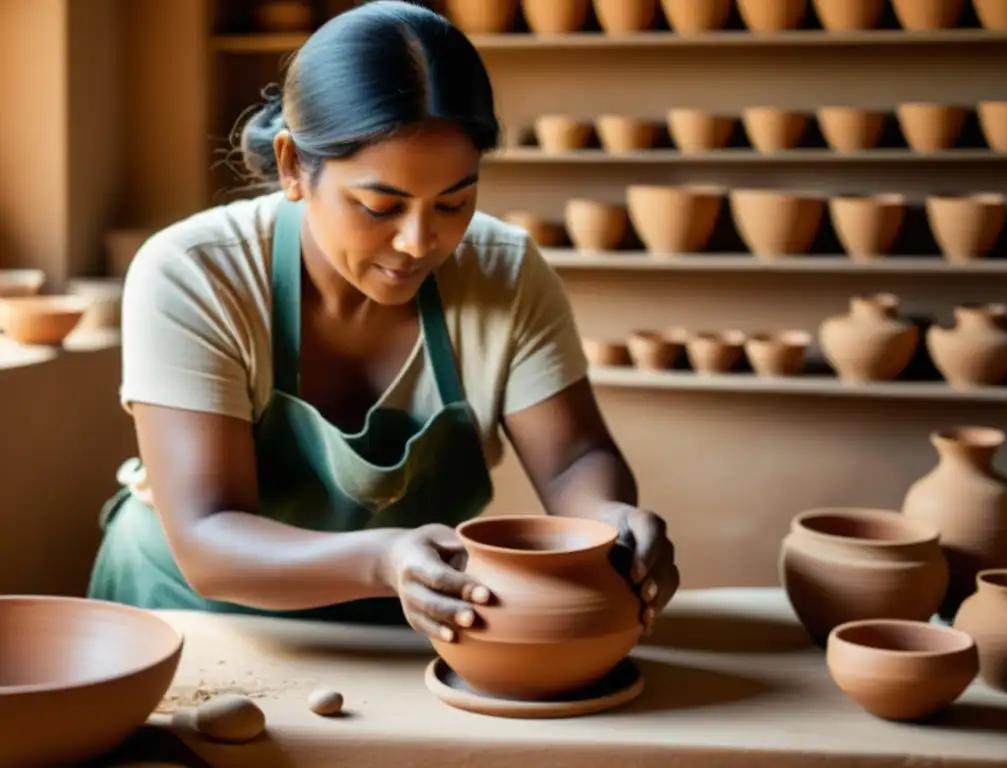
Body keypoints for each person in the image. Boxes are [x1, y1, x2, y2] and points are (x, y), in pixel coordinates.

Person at [88, 0, 680, 643]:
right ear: (292, 166)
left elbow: (573, 461)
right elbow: (208, 536)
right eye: (379, 206)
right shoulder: (195, 272)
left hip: (394, 617)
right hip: (191, 619)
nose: (419, 242)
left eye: (454, 202)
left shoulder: (503, 270)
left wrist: (607, 522)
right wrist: (383, 558)